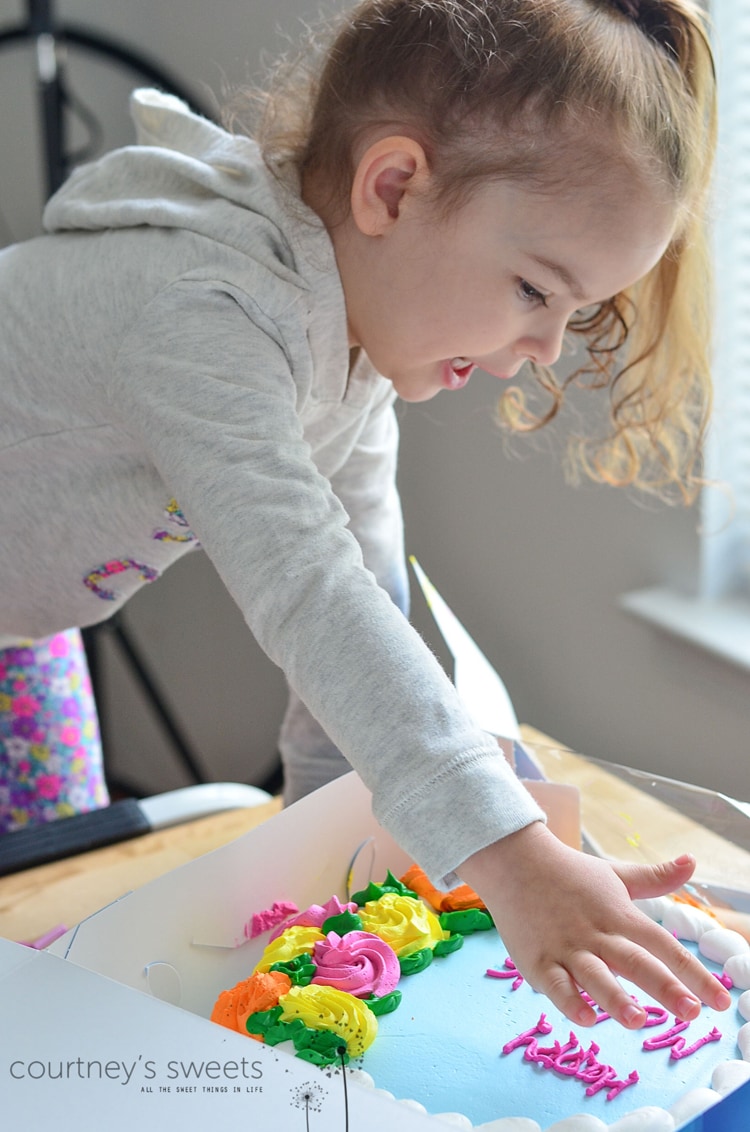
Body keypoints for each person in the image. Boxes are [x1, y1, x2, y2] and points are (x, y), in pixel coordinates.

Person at [0, 0, 729, 1029]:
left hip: (21, 630)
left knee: (34, 944)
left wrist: (338, 890)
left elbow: (367, 613)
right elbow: (313, 598)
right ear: (392, 186)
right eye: (534, 289)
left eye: (575, 315)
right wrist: (511, 857)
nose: (547, 347)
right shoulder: (202, 310)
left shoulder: (353, 361)